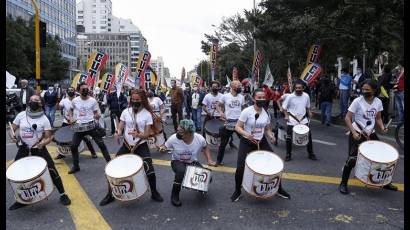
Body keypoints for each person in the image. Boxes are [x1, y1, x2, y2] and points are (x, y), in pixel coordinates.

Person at [99, 89, 164, 206]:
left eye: (137, 100)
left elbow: (147, 134)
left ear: (142, 100)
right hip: (126, 145)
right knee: (112, 169)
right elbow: (121, 125)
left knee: (149, 168)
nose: (134, 102)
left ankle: (154, 192)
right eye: (133, 100)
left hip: (140, 145)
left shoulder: (147, 114)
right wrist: (117, 132)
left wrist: (138, 134)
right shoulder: (125, 112)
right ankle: (110, 195)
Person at [8, 95, 71, 210]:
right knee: (18, 174)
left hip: (39, 149)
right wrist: (13, 137)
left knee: (52, 170)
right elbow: (12, 129)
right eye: (31, 100)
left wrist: (43, 143)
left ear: (41, 103)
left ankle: (63, 194)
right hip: (23, 148)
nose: (33, 102)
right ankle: (21, 199)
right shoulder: (21, 115)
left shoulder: (44, 119)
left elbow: (48, 137)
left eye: (36, 100)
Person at [230, 89, 290, 202]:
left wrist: (271, 135)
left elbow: (267, 129)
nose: (262, 99)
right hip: (247, 141)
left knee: (275, 163)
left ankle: (279, 189)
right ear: (253, 98)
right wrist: (246, 134)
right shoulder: (247, 111)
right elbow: (237, 127)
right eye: (259, 97)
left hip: (261, 141)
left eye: (263, 97)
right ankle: (237, 191)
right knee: (241, 167)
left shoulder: (266, 112)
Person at [339, 79, 398, 194]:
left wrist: (382, 127)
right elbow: (347, 118)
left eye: (367, 90)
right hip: (357, 132)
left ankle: (385, 182)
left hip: (371, 133)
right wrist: (354, 132)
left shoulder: (378, 102)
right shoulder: (357, 101)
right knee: (352, 159)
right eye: (363, 89)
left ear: (374, 90)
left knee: (383, 157)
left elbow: (378, 118)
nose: (364, 91)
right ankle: (343, 183)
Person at [161, 119, 216, 206]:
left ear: (190, 133)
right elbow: (164, 146)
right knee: (181, 172)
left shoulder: (199, 139)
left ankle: (198, 186)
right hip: (177, 161)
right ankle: (174, 195)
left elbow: (205, 147)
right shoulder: (173, 138)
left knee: (208, 177)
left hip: (192, 162)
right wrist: (162, 148)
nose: (178, 134)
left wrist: (209, 159)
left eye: (182, 132)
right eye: (178, 131)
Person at [66, 82, 112, 174]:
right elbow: (70, 110)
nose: (85, 91)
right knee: (74, 146)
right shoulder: (75, 100)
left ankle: (110, 165)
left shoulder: (92, 100)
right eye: (83, 89)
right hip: (79, 127)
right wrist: (71, 118)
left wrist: (98, 115)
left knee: (102, 145)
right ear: (79, 90)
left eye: (87, 89)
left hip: (91, 126)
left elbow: (97, 111)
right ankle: (76, 166)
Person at [54, 87, 97, 160]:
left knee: (86, 138)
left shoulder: (78, 100)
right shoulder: (64, 100)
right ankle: (61, 153)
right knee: (59, 138)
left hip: (77, 122)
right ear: (67, 92)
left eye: (72, 90)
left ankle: (93, 152)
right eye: (69, 90)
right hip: (66, 121)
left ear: (75, 91)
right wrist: (57, 100)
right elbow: (58, 108)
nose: (71, 91)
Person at [282, 80, 317, 161]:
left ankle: (311, 153)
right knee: (289, 137)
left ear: (303, 88)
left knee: (308, 136)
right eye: (296, 88)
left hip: (303, 119)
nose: (298, 89)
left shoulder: (306, 96)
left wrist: (309, 112)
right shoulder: (290, 97)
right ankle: (288, 154)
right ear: (294, 88)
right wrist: (286, 115)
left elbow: (307, 107)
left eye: (299, 88)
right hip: (292, 120)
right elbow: (284, 108)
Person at [216, 80, 244, 165]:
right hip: (228, 123)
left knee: (245, 142)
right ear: (232, 87)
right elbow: (218, 105)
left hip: (239, 123)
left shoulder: (241, 97)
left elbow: (243, 108)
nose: (239, 87)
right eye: (238, 85)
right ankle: (218, 161)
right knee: (223, 144)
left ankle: (248, 161)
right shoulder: (225, 96)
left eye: (240, 85)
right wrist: (221, 113)